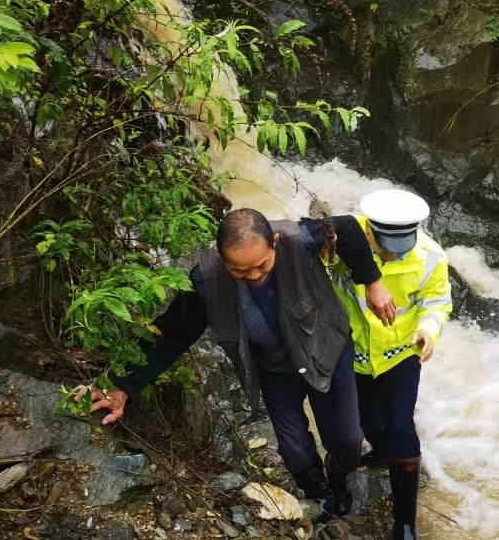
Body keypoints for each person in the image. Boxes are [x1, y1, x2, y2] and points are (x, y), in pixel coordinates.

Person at [75, 209, 398, 520]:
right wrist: (123, 386)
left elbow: (348, 228)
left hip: (326, 349)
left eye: (262, 266)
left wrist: (372, 281)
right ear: (221, 255)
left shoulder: (297, 237)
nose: (254, 277)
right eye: (240, 271)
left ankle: (339, 476)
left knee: (347, 442)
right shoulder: (206, 280)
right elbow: (172, 334)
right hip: (274, 369)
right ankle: (320, 497)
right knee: (295, 452)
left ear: (274, 242)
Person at [326, 189, 452, 540]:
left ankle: (405, 524)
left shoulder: (430, 256)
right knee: (363, 427)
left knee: (400, 428)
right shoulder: (341, 245)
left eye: (402, 245)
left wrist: (428, 330)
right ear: (368, 230)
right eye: (387, 247)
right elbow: (307, 240)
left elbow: (437, 301)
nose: (394, 254)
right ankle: (358, 468)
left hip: (401, 353)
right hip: (353, 355)